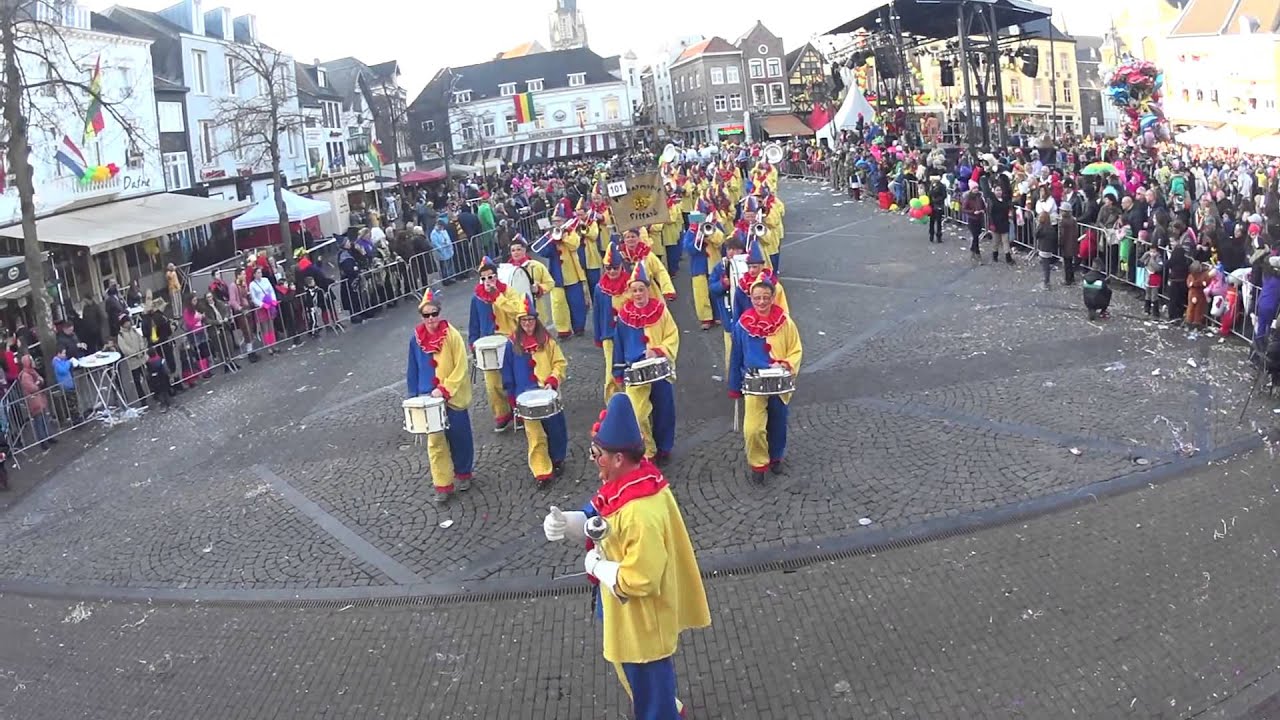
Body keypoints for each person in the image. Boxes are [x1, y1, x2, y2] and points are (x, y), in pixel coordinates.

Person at [541, 392, 710, 720]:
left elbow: (642, 579)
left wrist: (597, 566)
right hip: (626, 614)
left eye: (596, 453)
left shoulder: (641, 513)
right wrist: (568, 523)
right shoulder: (632, 479)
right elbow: (597, 517)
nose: (592, 459)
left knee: (648, 688)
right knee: (638, 681)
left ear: (618, 458)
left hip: (643, 621)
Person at [728, 275, 803, 483]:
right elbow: (736, 356)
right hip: (753, 384)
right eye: (757, 298)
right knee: (752, 428)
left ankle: (776, 456)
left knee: (778, 421)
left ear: (772, 298)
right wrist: (734, 385)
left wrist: (785, 364)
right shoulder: (743, 325)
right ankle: (758, 463)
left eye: (765, 298)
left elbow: (795, 349)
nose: (761, 302)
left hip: (778, 382)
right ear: (751, 299)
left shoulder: (785, 322)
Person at [406, 289, 474, 504]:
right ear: (422, 316)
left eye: (434, 313)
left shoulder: (452, 335)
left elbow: (461, 366)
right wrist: (415, 397)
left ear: (439, 313)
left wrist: (446, 388)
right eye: (427, 315)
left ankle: (464, 472)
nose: (431, 319)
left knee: (460, 436)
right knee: (435, 443)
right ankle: (443, 483)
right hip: (428, 399)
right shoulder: (415, 340)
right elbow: (413, 369)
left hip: (452, 397)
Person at [611, 263, 679, 464]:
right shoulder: (624, 316)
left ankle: (664, 447)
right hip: (635, 372)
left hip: (659, 368)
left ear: (648, 290)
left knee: (664, 410)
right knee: (638, 414)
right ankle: (648, 450)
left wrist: (658, 350)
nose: (638, 294)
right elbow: (619, 344)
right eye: (634, 290)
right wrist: (618, 371)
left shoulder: (661, 311)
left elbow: (672, 335)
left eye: (641, 290)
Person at [501, 295, 568, 485]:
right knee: (535, 435)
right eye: (524, 320)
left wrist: (553, 379)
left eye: (530, 320)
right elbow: (507, 372)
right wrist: (512, 398)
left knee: (555, 430)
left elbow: (560, 362)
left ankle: (557, 459)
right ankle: (542, 471)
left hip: (548, 394)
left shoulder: (547, 341)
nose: (528, 324)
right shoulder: (512, 345)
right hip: (526, 399)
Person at [468, 257, 525, 432]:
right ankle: (502, 412)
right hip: (488, 344)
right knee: (492, 383)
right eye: (483, 278)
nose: (487, 281)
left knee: (513, 379)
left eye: (490, 277)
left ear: (496, 276)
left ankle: (519, 411)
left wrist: (498, 297)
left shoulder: (508, 292)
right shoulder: (477, 298)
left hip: (510, 341)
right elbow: (474, 323)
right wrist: (473, 344)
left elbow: (518, 311)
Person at [537, 208, 589, 338]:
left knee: (577, 302)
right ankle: (563, 329)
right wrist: (548, 238)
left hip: (573, 273)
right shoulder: (551, 235)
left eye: (559, 221)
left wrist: (563, 236)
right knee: (557, 303)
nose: (557, 224)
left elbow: (574, 245)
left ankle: (579, 327)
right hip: (556, 274)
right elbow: (544, 253)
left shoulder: (571, 232)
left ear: (565, 221)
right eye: (555, 221)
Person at [591, 242, 628, 403]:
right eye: (608, 268)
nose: (612, 271)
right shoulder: (599, 288)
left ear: (621, 267)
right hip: (609, 335)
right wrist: (598, 336)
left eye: (615, 267)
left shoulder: (630, 285)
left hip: (628, 334)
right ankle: (612, 404)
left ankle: (631, 400)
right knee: (611, 372)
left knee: (629, 368)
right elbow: (597, 313)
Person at [682, 207, 726, 331]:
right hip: (699, 266)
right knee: (701, 293)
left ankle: (719, 314)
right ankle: (706, 318)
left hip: (714, 263)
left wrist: (709, 234)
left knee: (716, 290)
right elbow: (688, 249)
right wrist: (697, 237)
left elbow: (721, 241)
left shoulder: (715, 225)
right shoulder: (691, 230)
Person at [617, 227, 676, 302]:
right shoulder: (619, 255)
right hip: (627, 294)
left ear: (638, 238)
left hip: (648, 292)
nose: (630, 239)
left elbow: (660, 271)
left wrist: (668, 290)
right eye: (627, 237)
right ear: (624, 240)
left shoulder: (647, 255)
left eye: (633, 236)